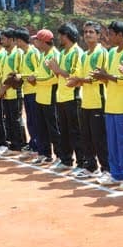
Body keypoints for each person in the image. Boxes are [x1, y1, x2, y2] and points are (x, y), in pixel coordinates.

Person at [92, 21, 123, 186]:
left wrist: (107, 76)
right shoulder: (111, 52)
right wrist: (102, 76)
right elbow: (108, 77)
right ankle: (116, 174)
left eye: (111, 34)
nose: (108, 37)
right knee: (112, 143)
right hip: (110, 105)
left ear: (120, 35)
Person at [68, 21, 109, 179]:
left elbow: (98, 77)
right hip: (85, 101)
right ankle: (91, 167)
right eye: (85, 32)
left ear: (98, 35)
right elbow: (79, 76)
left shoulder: (102, 52)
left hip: (99, 101)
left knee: (100, 138)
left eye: (91, 32)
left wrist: (79, 80)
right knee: (87, 137)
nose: (88, 35)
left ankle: (106, 169)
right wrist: (75, 81)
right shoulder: (84, 55)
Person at [47, 23, 84, 172]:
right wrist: (54, 69)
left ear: (67, 35)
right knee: (64, 131)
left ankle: (82, 162)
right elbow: (60, 75)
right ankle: (66, 160)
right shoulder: (63, 53)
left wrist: (57, 69)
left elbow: (75, 76)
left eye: (61, 35)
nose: (59, 38)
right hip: (61, 96)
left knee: (75, 131)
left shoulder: (77, 52)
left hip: (73, 96)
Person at [27, 29, 62, 167]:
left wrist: (37, 80)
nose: (34, 42)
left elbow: (55, 78)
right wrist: (33, 76)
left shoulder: (54, 55)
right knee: (40, 127)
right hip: (40, 95)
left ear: (43, 41)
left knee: (53, 127)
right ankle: (44, 154)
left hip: (50, 95)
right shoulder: (43, 55)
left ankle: (60, 156)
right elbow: (39, 72)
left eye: (36, 39)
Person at [0, 28, 26, 153]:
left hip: (15, 92)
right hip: (6, 94)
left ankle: (19, 144)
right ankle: (13, 144)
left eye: (3, 39)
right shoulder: (5, 54)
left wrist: (4, 88)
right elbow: (3, 74)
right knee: (8, 119)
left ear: (11, 39)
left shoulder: (17, 53)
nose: (1, 41)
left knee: (15, 119)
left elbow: (16, 74)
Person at [14, 28, 41, 160]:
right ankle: (33, 145)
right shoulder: (23, 54)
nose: (16, 43)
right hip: (27, 91)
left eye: (16, 40)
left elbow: (38, 70)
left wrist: (23, 76)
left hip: (35, 91)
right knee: (30, 120)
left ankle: (38, 147)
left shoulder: (33, 52)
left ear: (20, 40)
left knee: (36, 121)